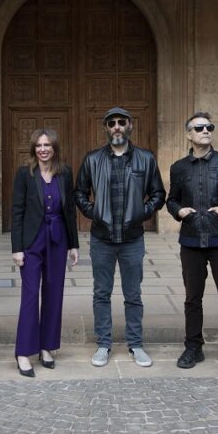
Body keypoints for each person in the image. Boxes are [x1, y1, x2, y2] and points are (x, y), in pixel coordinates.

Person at [74, 106, 165, 368]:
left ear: (129, 126)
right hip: (102, 238)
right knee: (101, 293)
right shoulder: (92, 159)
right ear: (105, 128)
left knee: (133, 294)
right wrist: (94, 212)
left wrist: (141, 213)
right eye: (111, 123)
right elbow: (79, 192)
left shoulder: (145, 159)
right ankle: (103, 344)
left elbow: (158, 194)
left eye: (121, 122)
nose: (116, 127)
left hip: (132, 239)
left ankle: (135, 344)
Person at [166, 112, 218, 374]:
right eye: (199, 128)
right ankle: (193, 347)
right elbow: (172, 200)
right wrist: (178, 212)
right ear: (189, 134)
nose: (205, 131)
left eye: (208, 127)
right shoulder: (179, 168)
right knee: (193, 298)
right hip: (191, 241)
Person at [10, 128, 79, 377]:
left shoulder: (65, 173)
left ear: (55, 148)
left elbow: (69, 210)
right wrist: (16, 248)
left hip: (58, 239)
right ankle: (23, 352)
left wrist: (74, 244)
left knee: (54, 294)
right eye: (39, 145)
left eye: (47, 145)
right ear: (33, 149)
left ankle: (47, 347)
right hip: (32, 242)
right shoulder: (24, 174)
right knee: (30, 296)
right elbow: (16, 212)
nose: (43, 149)